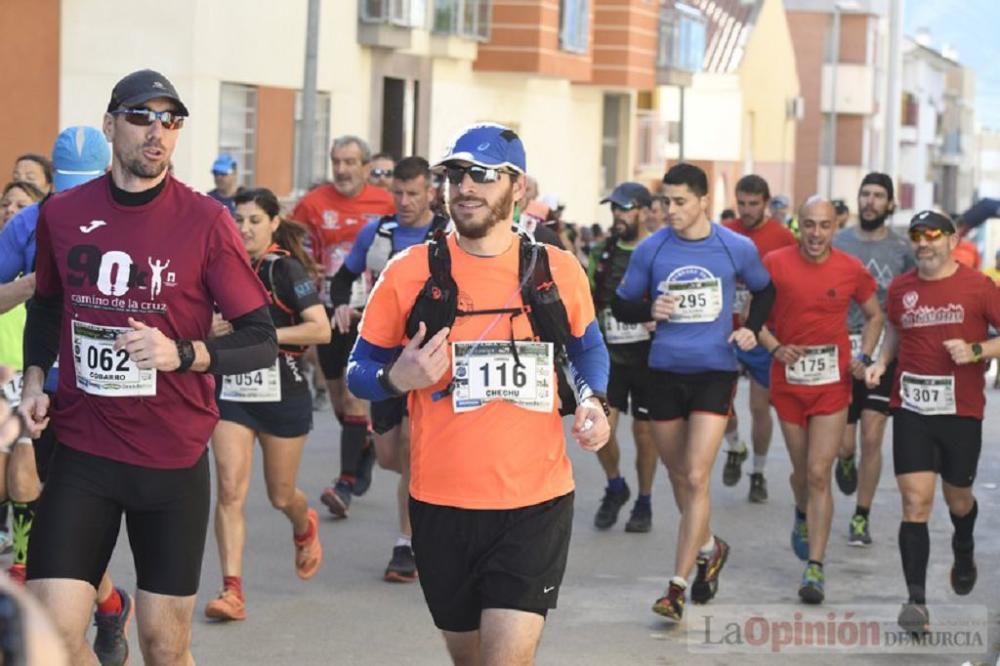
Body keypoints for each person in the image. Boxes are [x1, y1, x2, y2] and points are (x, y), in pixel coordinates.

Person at [17, 69, 278, 665]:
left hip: (171, 457)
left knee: (165, 646)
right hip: (84, 448)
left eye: (171, 120)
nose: (157, 132)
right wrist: (36, 379)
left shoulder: (206, 221)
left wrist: (181, 354)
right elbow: (49, 303)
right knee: (45, 640)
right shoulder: (61, 214)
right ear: (110, 126)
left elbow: (261, 338)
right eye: (141, 117)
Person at [347, 123, 610, 664]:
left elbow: (588, 350)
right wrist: (400, 378)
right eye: (455, 174)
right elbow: (359, 370)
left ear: (517, 186)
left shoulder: (556, 269)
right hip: (442, 506)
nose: (465, 186)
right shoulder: (408, 272)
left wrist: (594, 401)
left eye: (483, 175)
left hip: (535, 504)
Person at [613, 162, 775, 621]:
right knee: (677, 474)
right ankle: (710, 545)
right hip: (662, 372)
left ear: (703, 200)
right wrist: (650, 307)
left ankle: (677, 586)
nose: (670, 210)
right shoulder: (652, 249)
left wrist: (752, 331)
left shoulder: (735, 246)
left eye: (680, 201)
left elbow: (765, 291)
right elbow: (622, 304)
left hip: (714, 372)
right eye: (665, 200)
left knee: (697, 475)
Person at [865, 210, 1000, 635]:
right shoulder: (902, 288)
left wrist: (977, 351)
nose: (923, 243)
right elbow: (895, 333)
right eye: (916, 235)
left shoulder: (979, 286)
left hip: (961, 411)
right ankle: (916, 602)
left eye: (932, 235)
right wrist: (881, 361)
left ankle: (963, 546)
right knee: (915, 502)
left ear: (951, 239)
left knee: (958, 498)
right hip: (912, 409)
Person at [204, 188, 328, 621]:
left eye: (255, 219)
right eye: (238, 219)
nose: (244, 228)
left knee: (280, 495)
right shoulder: (219, 266)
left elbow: (321, 329)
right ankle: (231, 590)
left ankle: (302, 522)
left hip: (283, 395)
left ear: (274, 223)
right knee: (230, 491)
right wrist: (210, 330)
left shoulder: (284, 268)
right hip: (234, 393)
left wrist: (265, 337)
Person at [328, 156, 448, 579]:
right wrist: (342, 303)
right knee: (390, 457)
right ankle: (412, 481)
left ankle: (405, 545)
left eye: (413, 193)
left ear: (431, 192)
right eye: (397, 192)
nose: (404, 201)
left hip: (432, 359)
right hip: (385, 357)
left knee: (415, 453)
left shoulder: (448, 234)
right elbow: (342, 278)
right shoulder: (378, 232)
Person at [758, 196, 881, 604]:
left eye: (824, 225)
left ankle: (815, 566)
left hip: (831, 384)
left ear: (835, 226)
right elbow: (751, 317)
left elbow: (874, 314)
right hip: (789, 384)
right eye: (808, 224)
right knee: (799, 471)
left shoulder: (850, 269)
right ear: (799, 225)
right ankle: (800, 512)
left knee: (817, 472)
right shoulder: (775, 263)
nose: (815, 233)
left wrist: (864, 355)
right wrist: (775, 347)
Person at [291, 135, 394, 515]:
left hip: (370, 311)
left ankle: (345, 482)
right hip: (326, 308)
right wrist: (303, 265)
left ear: (366, 167)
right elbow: (287, 241)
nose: (342, 169)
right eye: (337, 161)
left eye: (350, 162)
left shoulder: (385, 203)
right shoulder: (313, 203)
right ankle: (362, 444)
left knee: (353, 395)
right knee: (337, 398)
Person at [832, 173, 914, 547]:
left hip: (883, 352)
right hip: (841, 350)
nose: (870, 202)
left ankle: (861, 517)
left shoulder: (901, 250)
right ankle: (844, 460)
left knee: (872, 436)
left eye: (878, 196)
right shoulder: (839, 242)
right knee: (844, 443)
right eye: (865, 194)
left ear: (890, 204)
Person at [721, 175, 796, 503]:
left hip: (765, 330)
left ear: (766, 203)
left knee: (759, 406)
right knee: (720, 402)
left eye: (754, 204)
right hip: (726, 329)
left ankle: (758, 472)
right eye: (742, 203)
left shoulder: (782, 237)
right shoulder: (724, 232)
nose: (748, 210)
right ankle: (736, 446)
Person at [588, 182, 658, 532]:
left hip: (648, 357)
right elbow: (586, 300)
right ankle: (616, 485)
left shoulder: (659, 250)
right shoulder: (601, 252)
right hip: (610, 356)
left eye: (625, 207)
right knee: (600, 430)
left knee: (645, 436)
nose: (618, 215)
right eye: (613, 208)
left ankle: (644, 502)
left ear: (645, 211)